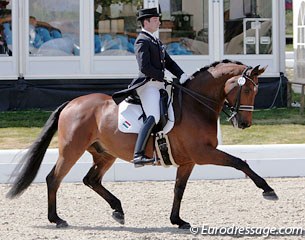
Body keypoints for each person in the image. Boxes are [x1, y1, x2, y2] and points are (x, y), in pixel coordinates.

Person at [128, 7, 189, 167]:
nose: (159, 22)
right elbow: (145, 67)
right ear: (146, 22)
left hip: (160, 85)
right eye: (155, 20)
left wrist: (181, 74)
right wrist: (163, 76)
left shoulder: (155, 40)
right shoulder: (142, 40)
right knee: (153, 115)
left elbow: (168, 62)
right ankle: (138, 155)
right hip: (148, 85)